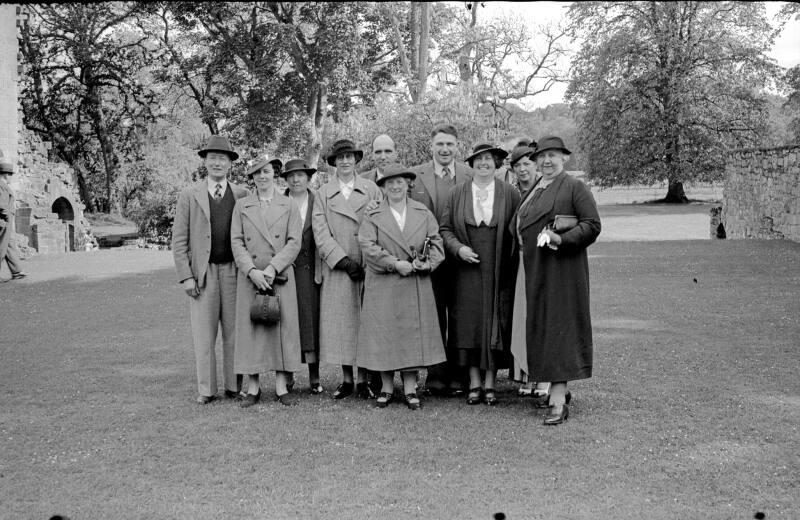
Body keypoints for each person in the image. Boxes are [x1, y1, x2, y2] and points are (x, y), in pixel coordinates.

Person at [514, 136, 601, 424]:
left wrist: (561, 239)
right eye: (542, 157)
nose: (547, 161)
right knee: (544, 328)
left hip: (563, 271)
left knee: (560, 329)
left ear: (564, 158)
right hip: (537, 270)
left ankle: (558, 399)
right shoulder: (537, 189)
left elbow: (592, 225)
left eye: (553, 155)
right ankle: (555, 389)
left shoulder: (574, 186)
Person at [356, 164, 446, 410]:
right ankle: (386, 387)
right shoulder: (373, 214)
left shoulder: (423, 212)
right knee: (385, 333)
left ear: (408, 185)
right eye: (390, 183)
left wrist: (425, 264)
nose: (395, 186)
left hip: (414, 282)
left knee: (410, 334)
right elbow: (367, 245)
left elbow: (437, 242)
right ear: (383, 187)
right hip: (384, 281)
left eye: (400, 182)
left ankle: (410, 387)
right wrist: (395, 264)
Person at [439, 143, 520, 405]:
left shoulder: (510, 193)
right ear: (471, 164)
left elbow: (518, 229)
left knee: (493, 322)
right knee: (468, 324)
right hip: (465, 271)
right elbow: (445, 229)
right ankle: (473, 382)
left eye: (489, 159)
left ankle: (490, 383)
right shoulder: (457, 193)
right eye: (479, 159)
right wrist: (458, 248)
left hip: (498, 269)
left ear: (496, 164)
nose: (484, 163)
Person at [172, 135, 248, 404]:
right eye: (213, 157)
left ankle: (234, 385)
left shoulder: (242, 194)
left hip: (234, 272)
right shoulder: (189, 195)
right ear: (205, 161)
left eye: (223, 158)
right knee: (204, 336)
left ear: (230, 164)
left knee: (234, 333)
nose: (217, 163)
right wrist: (186, 277)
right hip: (202, 275)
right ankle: (206, 389)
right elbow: (179, 240)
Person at [312, 138, 382, 400]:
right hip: (340, 268)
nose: (344, 161)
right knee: (342, 323)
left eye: (349, 157)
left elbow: (380, 224)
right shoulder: (322, 194)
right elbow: (320, 233)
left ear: (356, 159)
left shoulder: (372, 190)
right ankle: (347, 379)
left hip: (368, 266)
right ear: (333, 163)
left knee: (365, 322)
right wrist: (343, 261)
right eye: (339, 158)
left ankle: (364, 379)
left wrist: (370, 258)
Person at [231, 155, 303, 407]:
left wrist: (272, 268)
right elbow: (236, 241)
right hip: (251, 278)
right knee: (252, 331)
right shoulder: (242, 206)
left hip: (280, 275)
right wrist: (252, 271)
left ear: (275, 174)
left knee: (282, 330)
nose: (263, 176)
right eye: (257, 172)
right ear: (252, 177)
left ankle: (283, 387)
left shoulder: (289, 204)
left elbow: (294, 241)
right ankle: (253, 388)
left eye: (268, 171)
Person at [409, 124, 474, 397]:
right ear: (431, 146)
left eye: (449, 144)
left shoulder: (471, 174)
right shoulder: (415, 175)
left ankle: (459, 374)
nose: (445, 149)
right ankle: (435, 375)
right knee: (433, 316)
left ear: (457, 146)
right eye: (440, 145)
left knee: (460, 316)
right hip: (429, 259)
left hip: (463, 256)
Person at [281, 157, 323, 394]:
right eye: (291, 175)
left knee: (311, 321)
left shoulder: (318, 200)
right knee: (287, 322)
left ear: (308, 178)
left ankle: (314, 377)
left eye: (301, 175)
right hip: (286, 271)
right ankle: (287, 376)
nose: (296, 179)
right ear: (286, 179)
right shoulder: (280, 202)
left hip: (311, 270)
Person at [0, 158, 28, 282]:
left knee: (9, 244)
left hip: (6, 220)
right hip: (3, 221)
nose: (11, 177)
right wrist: (6, 215)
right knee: (1, 246)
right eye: (11, 174)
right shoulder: (1, 186)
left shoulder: (3, 186)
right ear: (6, 174)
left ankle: (16, 271)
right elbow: (1, 205)